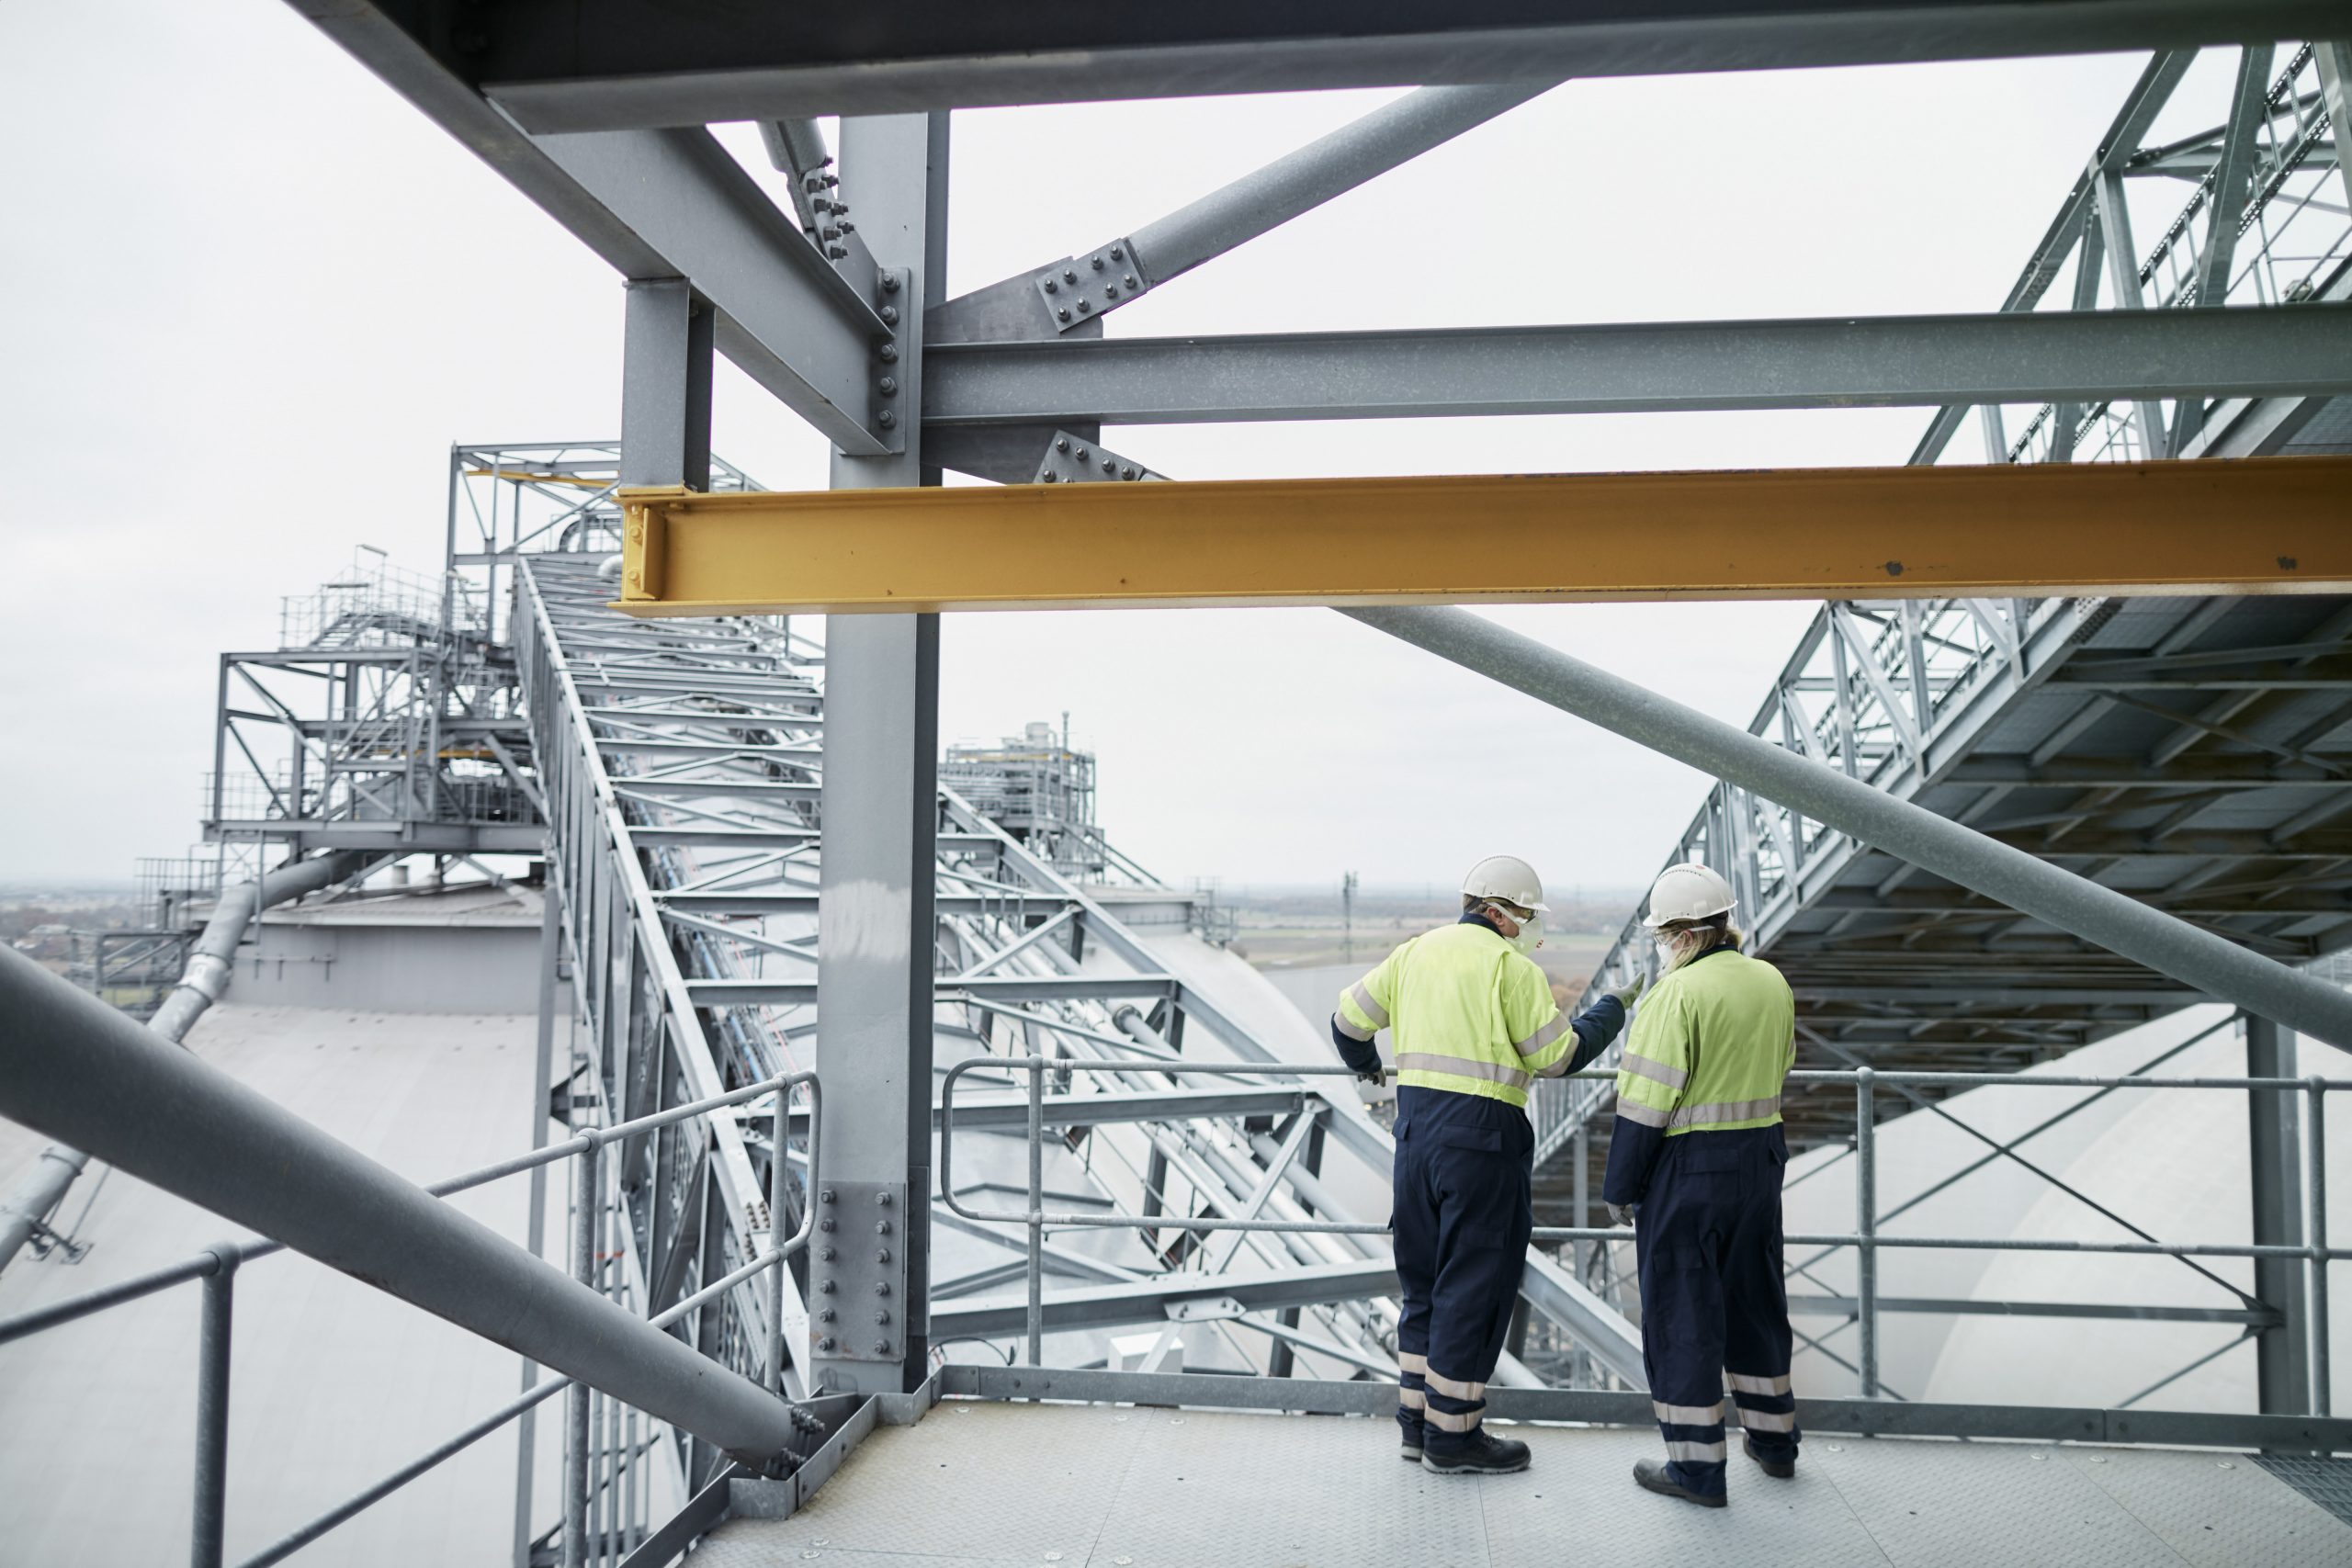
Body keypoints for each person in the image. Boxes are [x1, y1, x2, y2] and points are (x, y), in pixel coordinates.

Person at [1332, 855, 1644, 1475]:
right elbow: (1558, 1057)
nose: (1536, 930)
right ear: (1500, 911)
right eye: (1529, 915)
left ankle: (1416, 1425)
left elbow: (1347, 1023)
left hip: (1416, 1136)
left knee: (1422, 1284)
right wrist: (1611, 1009)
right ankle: (1455, 1437)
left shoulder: (1414, 952)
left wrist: (1367, 1064)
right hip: (1483, 1142)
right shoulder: (1511, 967)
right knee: (1474, 1286)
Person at [1602, 861, 1799, 1509]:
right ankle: (1774, 1445)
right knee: (1755, 1300)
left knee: (1682, 1312)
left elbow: (1643, 1104)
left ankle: (1694, 1469)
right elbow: (1784, 1062)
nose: (1664, 947)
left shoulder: (1675, 996)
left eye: (1664, 936)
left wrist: (1621, 1184)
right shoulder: (1770, 980)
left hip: (1691, 1172)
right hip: (1761, 1161)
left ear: (1683, 935)